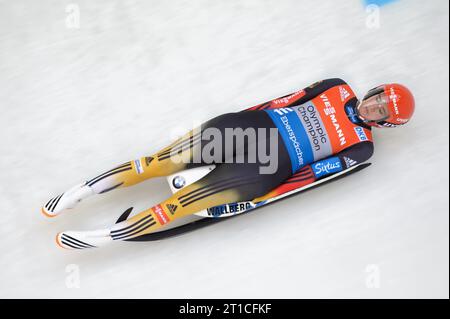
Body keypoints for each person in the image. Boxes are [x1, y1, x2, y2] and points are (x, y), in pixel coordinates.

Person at [41, 78, 415, 250]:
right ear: (374, 91)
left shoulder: (362, 147)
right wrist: (236, 117)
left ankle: (104, 236)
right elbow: (281, 102)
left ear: (384, 122)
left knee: (180, 204)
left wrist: (262, 197)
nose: (372, 106)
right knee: (158, 161)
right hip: (251, 128)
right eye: (377, 97)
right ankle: (80, 192)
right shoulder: (338, 87)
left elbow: (312, 177)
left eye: (380, 110)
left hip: (267, 168)